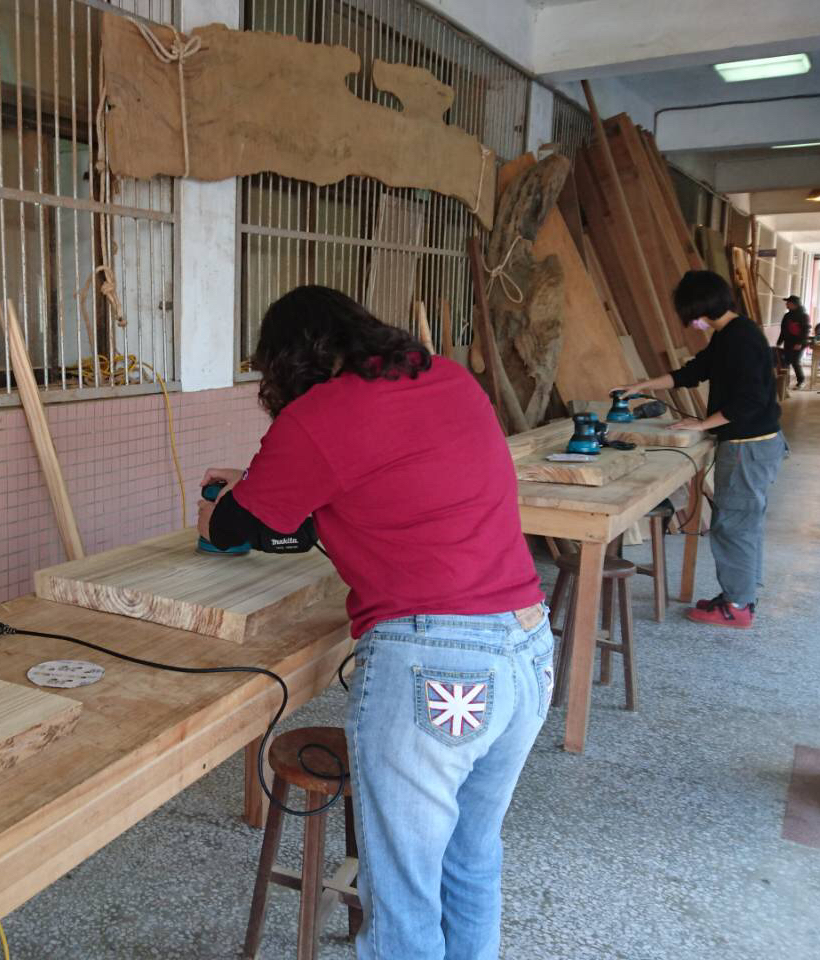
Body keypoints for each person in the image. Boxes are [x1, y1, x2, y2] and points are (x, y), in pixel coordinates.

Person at [197, 286, 550, 960]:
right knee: (470, 859)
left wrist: (222, 506)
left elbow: (237, 525)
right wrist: (260, 479)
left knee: (401, 897)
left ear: (286, 362)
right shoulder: (446, 377)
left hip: (437, 667)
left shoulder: (318, 415)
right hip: (526, 647)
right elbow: (390, 468)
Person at [618, 269, 784, 629]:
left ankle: (737, 606)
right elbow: (693, 372)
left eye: (691, 315)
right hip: (751, 444)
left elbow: (751, 400)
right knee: (743, 523)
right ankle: (740, 596)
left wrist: (702, 424)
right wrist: (643, 385)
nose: (692, 322)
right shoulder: (729, 334)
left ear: (700, 308)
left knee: (733, 526)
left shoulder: (741, 339)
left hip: (748, 446)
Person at [776, 294, 810, 389]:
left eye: (788, 302)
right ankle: (785, 383)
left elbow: (806, 330)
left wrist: (799, 343)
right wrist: (779, 342)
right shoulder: (787, 315)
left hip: (799, 343)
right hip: (788, 342)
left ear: (794, 304)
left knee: (795, 361)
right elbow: (783, 330)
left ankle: (801, 381)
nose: (786, 304)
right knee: (786, 361)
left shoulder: (803, 316)